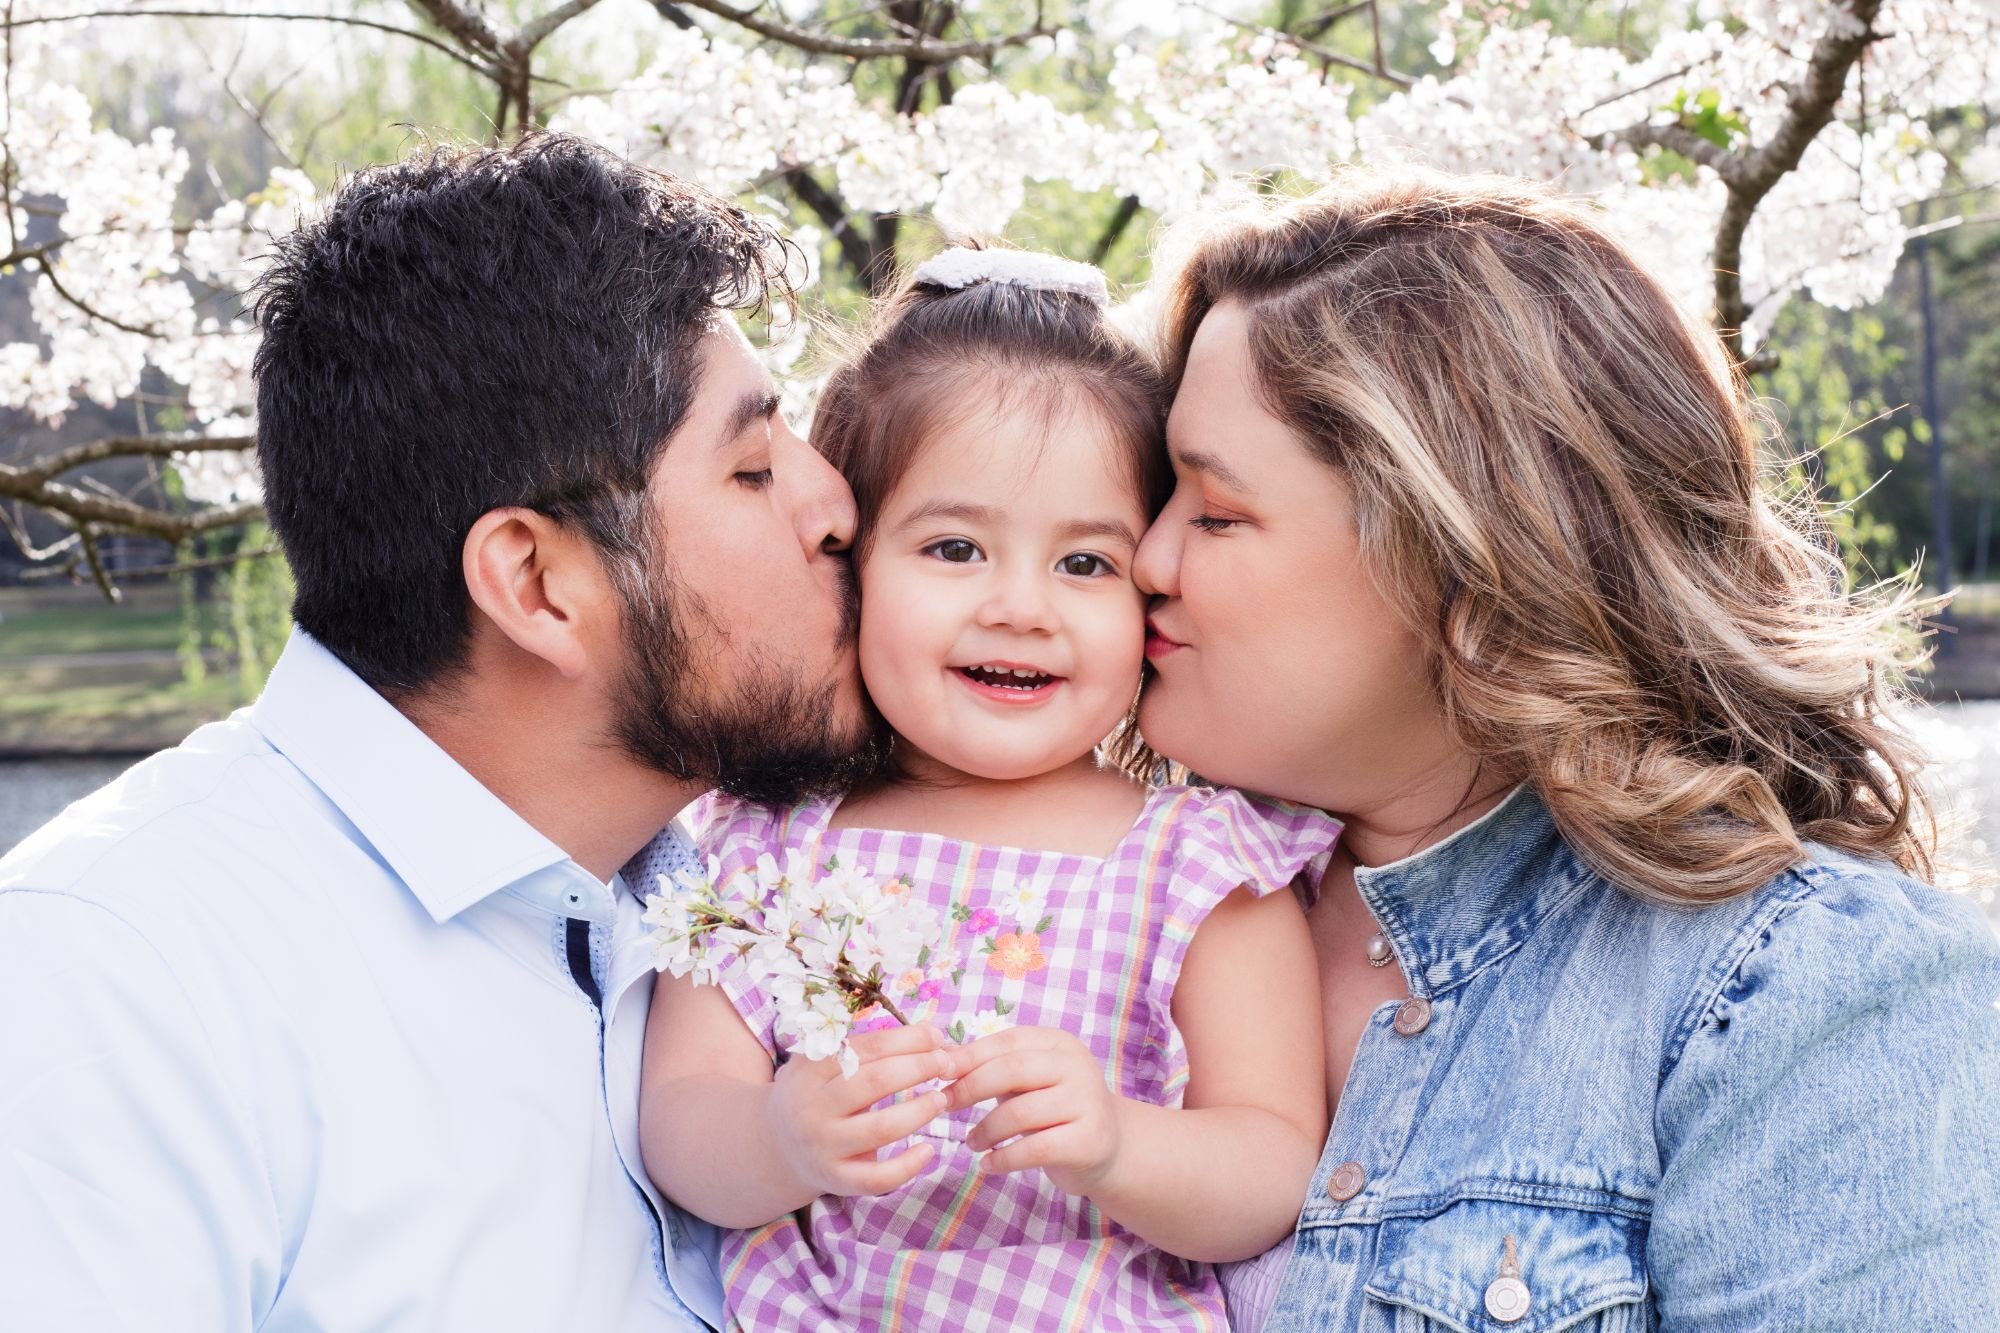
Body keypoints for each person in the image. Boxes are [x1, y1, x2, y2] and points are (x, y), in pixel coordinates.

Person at [0, 133, 879, 1330]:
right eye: (752, 467)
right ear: (536, 585)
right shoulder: (117, 983)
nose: (835, 505)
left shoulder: (784, 893)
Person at [1131, 171, 2000, 1330]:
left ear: (1466, 559)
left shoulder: (1804, 998)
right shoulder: (1096, 898)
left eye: (1213, 511)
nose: (1143, 558)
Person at [628, 247, 1337, 1330]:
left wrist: (1119, 1144)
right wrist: (779, 1137)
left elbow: (1273, 1163)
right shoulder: (766, 844)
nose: (1019, 608)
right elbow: (681, 1116)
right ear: (850, 559)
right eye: (954, 548)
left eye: (1084, 563)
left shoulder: (1199, 863)